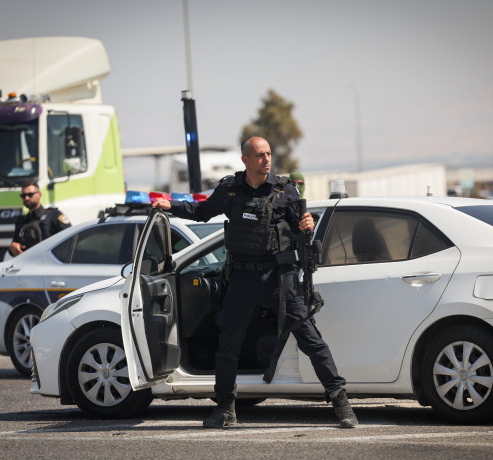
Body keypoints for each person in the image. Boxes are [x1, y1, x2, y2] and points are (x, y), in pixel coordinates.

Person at [152, 136, 357, 429]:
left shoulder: (286, 190)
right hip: (243, 279)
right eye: (260, 155)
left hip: (279, 278)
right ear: (245, 159)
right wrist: (169, 205)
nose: (266, 159)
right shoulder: (230, 190)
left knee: (310, 339)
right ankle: (225, 408)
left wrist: (306, 227)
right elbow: (201, 211)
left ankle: (340, 401)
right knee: (228, 343)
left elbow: (303, 238)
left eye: (269, 154)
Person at [8, 181, 71, 256]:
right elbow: (14, 248)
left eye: (30, 194)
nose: (26, 198)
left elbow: (70, 240)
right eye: (23, 196)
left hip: (50, 264)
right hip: (28, 264)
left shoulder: (53, 216)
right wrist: (13, 247)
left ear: (39, 195)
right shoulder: (21, 221)